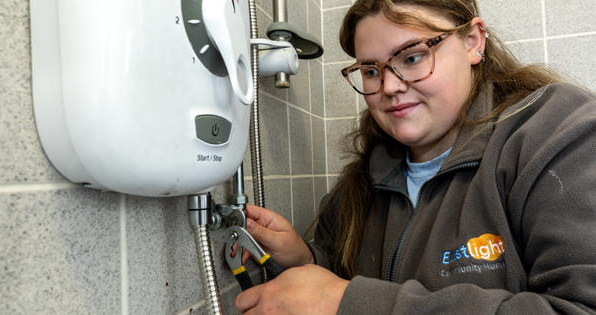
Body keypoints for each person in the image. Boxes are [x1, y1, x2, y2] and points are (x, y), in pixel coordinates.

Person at [236, 0, 596, 313]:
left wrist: (351, 304)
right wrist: (306, 260)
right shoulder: (367, 177)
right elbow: (342, 277)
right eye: (372, 71)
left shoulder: (557, 134)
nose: (389, 87)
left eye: (412, 57)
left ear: (473, 41)